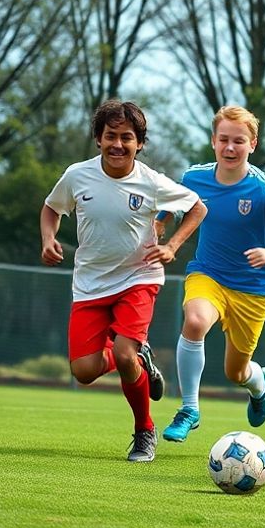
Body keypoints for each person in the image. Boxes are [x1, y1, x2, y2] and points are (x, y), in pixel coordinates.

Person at [41, 99, 207, 462]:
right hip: (90, 284)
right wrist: (48, 238)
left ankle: (144, 431)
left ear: (140, 143)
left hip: (139, 278)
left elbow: (197, 207)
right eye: (110, 136)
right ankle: (137, 356)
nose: (118, 144)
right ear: (98, 139)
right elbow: (52, 207)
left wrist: (172, 246)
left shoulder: (151, 181)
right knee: (84, 371)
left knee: (123, 352)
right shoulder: (77, 175)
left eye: (127, 137)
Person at [158, 105, 265, 442]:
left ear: (252, 144)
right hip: (207, 274)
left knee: (236, 372)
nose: (230, 147)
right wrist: (159, 223)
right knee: (195, 321)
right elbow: (173, 202)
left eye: (238, 141)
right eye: (223, 139)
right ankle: (189, 409)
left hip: (251, 288)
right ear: (213, 141)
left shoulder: (263, 188)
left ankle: (259, 385)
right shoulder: (194, 178)